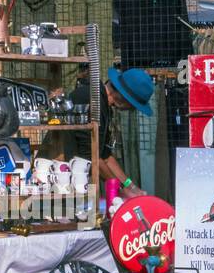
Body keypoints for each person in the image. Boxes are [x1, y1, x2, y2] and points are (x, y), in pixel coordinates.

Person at [66, 66, 155, 199]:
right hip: (60, 174)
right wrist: (121, 190)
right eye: (133, 105)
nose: (131, 109)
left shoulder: (104, 105)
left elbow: (105, 155)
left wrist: (131, 186)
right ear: (123, 95)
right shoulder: (92, 100)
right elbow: (92, 156)